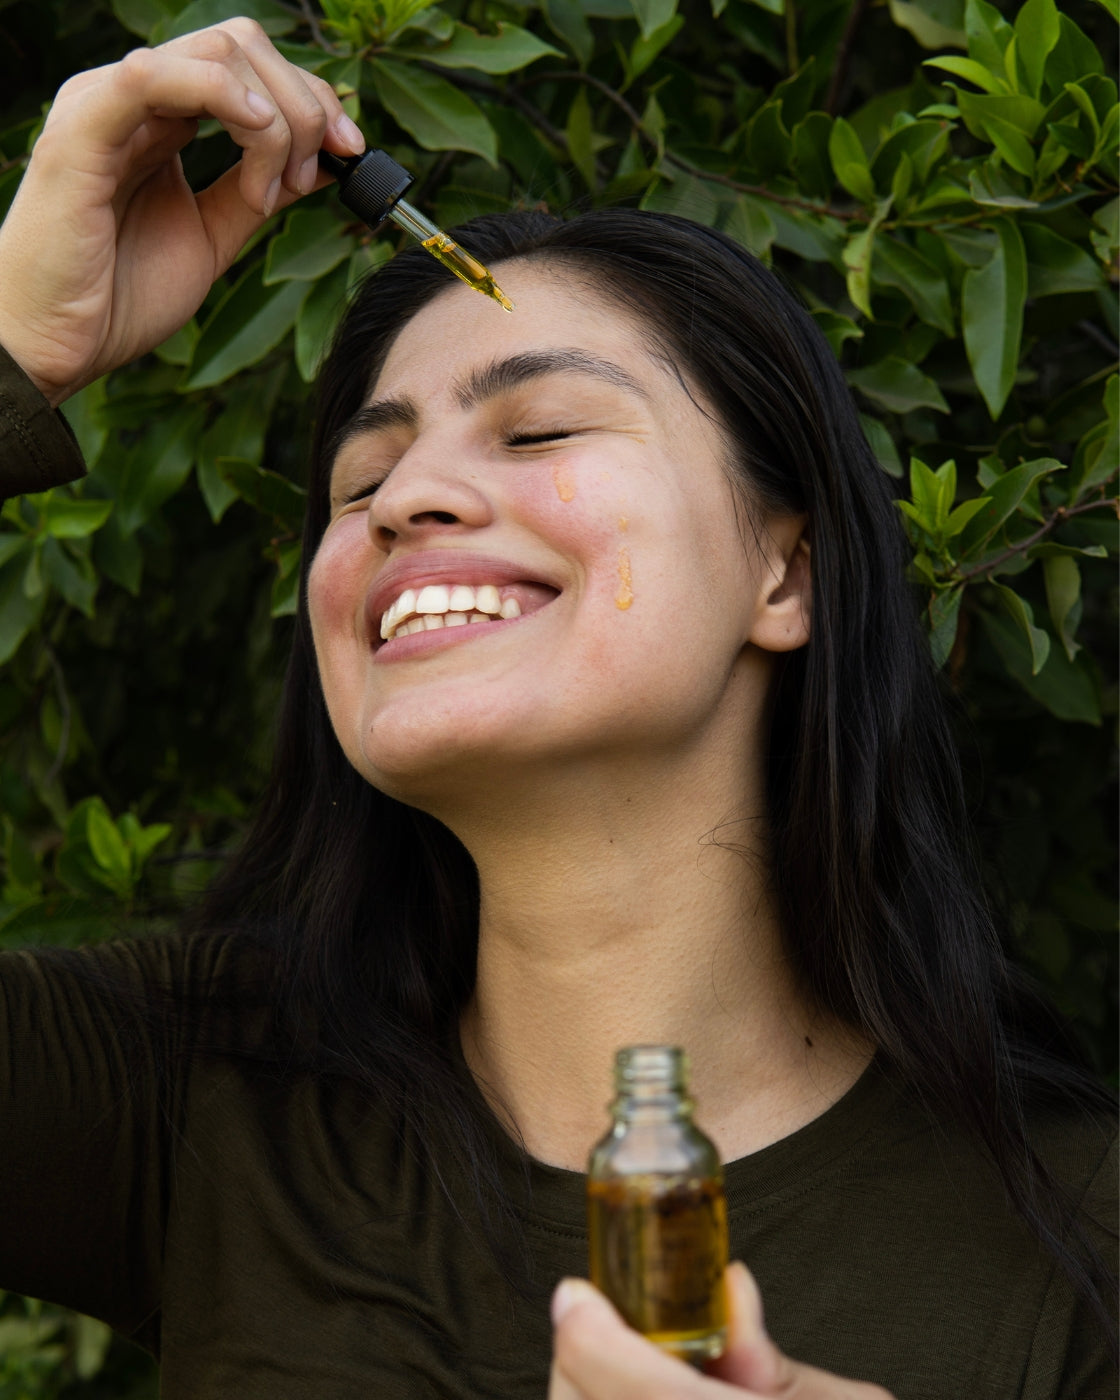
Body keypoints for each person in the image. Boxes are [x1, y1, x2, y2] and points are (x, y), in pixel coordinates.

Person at [0, 19, 1114, 1400]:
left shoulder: (1077, 1240)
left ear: (786, 571)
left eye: (539, 432)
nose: (404, 500)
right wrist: (14, 351)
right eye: (360, 485)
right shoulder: (191, 1098)